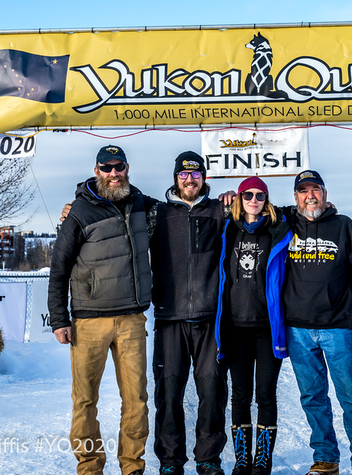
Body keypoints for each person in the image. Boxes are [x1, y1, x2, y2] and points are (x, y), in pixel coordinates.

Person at [48, 145, 156, 475]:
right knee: (84, 401)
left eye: (118, 166)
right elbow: (59, 267)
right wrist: (59, 318)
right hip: (88, 321)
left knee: (136, 399)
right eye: (106, 167)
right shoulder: (80, 211)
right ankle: (90, 467)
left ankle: (132, 466)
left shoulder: (141, 204)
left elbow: (180, 210)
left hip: (131, 320)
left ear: (126, 168)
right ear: (96, 171)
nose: (113, 173)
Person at [283, 170, 352, 475]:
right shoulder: (286, 224)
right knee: (313, 398)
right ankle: (325, 458)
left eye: (316, 189)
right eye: (303, 191)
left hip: (337, 326)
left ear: (325, 194)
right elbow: (252, 210)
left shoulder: (343, 226)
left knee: (351, 395)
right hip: (297, 329)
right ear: (296, 197)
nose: (310, 195)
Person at [150, 151, 228, 475]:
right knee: (168, 394)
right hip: (170, 318)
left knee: (212, 391)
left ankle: (208, 458)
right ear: (175, 177)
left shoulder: (221, 212)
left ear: (204, 178)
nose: (190, 179)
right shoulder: (158, 213)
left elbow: (260, 217)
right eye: (184, 174)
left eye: (196, 174)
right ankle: (170, 462)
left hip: (211, 319)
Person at [214, 177, 292, 475]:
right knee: (240, 395)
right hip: (235, 327)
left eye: (260, 196)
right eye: (248, 195)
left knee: (266, 395)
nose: (254, 200)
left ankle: (263, 460)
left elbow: (299, 211)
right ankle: (242, 459)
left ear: (267, 200)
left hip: (267, 327)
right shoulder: (227, 228)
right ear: (240, 198)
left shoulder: (277, 229)